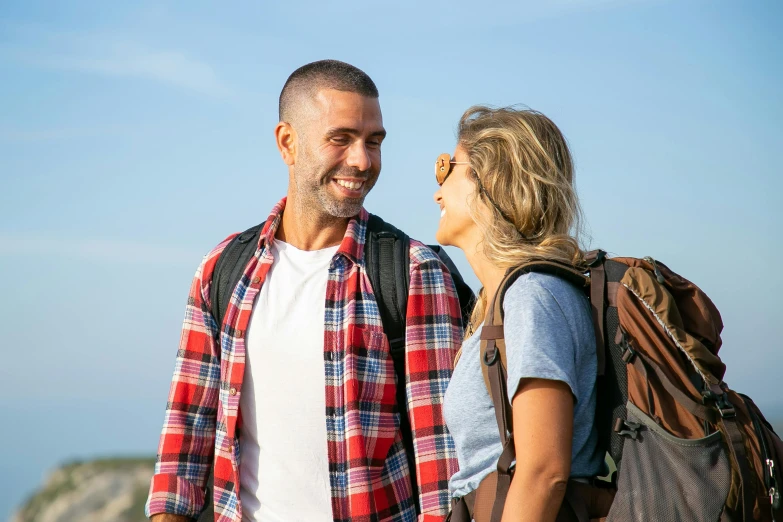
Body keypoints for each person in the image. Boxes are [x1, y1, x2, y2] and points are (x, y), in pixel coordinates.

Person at [145, 60, 462, 522]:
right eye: (342, 138)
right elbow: (184, 442)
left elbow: (443, 467)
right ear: (288, 143)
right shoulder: (221, 270)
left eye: (373, 142)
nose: (362, 160)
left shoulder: (413, 273)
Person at [434, 107, 605, 522]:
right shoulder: (503, 302)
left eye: (447, 168)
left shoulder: (533, 296)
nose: (437, 190)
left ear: (489, 181)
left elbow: (544, 472)